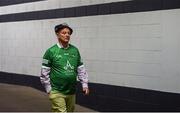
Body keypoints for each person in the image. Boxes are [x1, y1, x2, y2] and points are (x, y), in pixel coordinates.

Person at [40, 23, 89, 112]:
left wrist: (84, 84)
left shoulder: (75, 50)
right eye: (64, 33)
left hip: (71, 91)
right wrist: (49, 89)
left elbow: (80, 68)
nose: (67, 35)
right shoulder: (51, 51)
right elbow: (44, 73)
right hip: (57, 91)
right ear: (57, 34)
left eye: (68, 33)